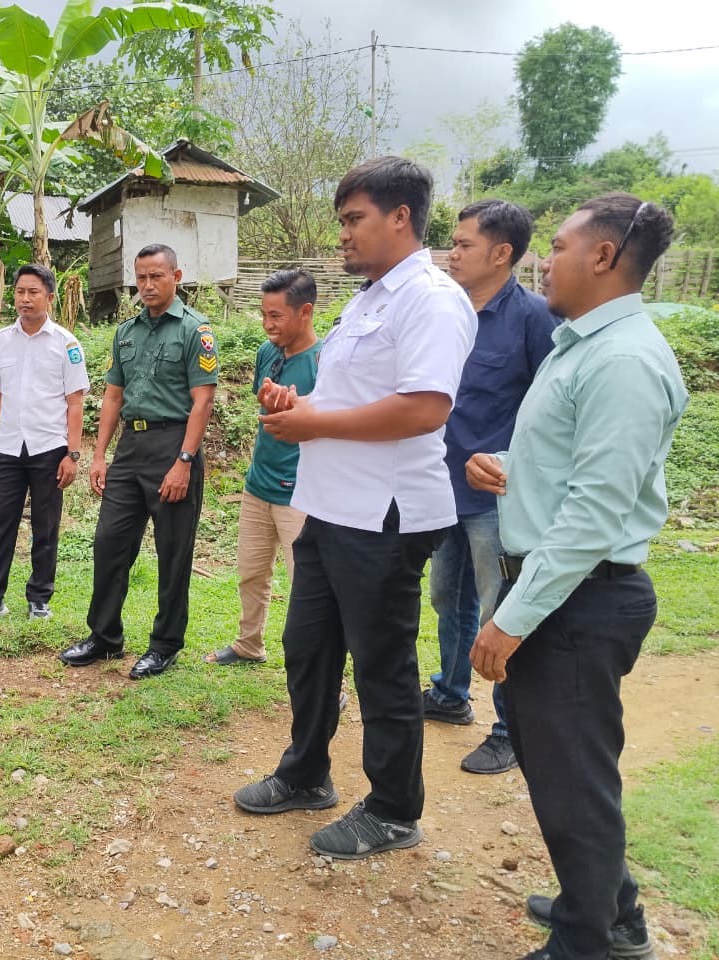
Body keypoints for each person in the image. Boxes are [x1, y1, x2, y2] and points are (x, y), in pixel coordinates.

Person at [231, 156, 476, 861]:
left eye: (353, 219)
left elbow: (425, 407)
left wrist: (315, 423)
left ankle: (394, 810)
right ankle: (305, 773)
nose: (342, 233)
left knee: (381, 664)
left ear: (400, 217)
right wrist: (298, 404)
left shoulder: (430, 299)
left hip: (385, 516)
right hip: (328, 507)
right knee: (307, 648)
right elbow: (346, 399)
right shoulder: (368, 301)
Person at [468, 194, 685, 960]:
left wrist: (511, 617)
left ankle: (588, 942)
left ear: (602, 256)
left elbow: (594, 515)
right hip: (562, 592)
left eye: (557, 246)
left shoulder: (622, 361)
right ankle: (610, 911)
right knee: (562, 769)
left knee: (574, 784)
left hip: (578, 598)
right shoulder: (584, 347)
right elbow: (575, 465)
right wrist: (509, 467)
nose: (542, 259)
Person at [423, 200, 560, 775]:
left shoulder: (533, 319)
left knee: (501, 608)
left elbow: (552, 410)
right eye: (452, 243)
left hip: (498, 499)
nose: (450, 254)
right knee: (446, 598)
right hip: (442, 487)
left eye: (463, 245)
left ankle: (509, 727)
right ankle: (451, 693)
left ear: (502, 254)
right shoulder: (445, 311)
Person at [58, 243, 217, 680]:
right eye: (141, 277)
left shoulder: (194, 330)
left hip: (173, 445)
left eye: (156, 276)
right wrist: (99, 454)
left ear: (176, 277)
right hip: (130, 449)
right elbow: (113, 396)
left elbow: (202, 401)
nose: (147, 285)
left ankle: (165, 644)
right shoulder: (126, 331)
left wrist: (184, 460)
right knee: (109, 542)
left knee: (173, 552)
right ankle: (105, 636)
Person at [0, 264, 90, 626]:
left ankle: (39, 599)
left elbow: (75, 403)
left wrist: (72, 454)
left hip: (50, 449)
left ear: (49, 296)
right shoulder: (2, 340)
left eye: (33, 292)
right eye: (20, 292)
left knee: (45, 528)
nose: (25, 299)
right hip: (9, 449)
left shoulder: (66, 344)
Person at [204, 269, 320, 666]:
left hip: (301, 493)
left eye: (276, 316)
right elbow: (263, 400)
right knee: (251, 572)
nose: (268, 324)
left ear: (305, 312)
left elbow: (331, 427)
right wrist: (271, 399)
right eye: (264, 315)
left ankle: (322, 675)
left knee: (307, 586)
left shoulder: (324, 362)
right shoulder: (267, 353)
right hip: (258, 484)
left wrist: (299, 409)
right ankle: (249, 644)